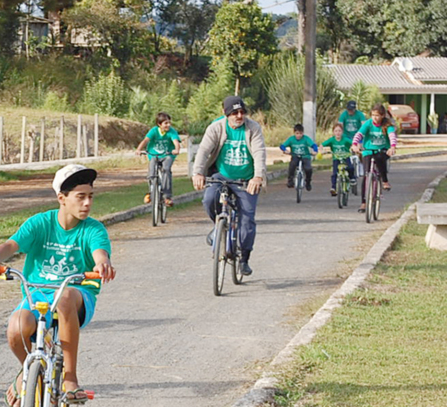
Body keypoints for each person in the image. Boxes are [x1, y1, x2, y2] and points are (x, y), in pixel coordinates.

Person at [0, 164, 116, 407]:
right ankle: (27, 371)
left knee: (65, 297)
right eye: (80, 197)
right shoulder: (40, 223)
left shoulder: (93, 229)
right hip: (39, 293)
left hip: (77, 293)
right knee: (16, 327)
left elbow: (100, 253)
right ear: (62, 198)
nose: (87, 203)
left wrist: (102, 264)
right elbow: (11, 245)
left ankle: (70, 378)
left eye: (90, 196)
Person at [191, 95, 266, 276]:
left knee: (247, 221)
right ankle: (218, 226)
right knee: (209, 199)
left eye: (242, 112)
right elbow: (203, 150)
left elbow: (259, 153)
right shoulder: (216, 127)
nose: (239, 116)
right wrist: (197, 173)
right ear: (225, 113)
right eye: (234, 113)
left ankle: (244, 259)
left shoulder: (253, 128)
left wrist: (257, 177)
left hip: (245, 180)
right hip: (221, 175)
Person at [352, 103, 397, 212]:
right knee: (366, 175)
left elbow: (392, 136)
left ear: (382, 115)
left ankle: (384, 181)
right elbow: (359, 134)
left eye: (377, 115)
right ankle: (363, 203)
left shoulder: (387, 125)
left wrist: (392, 147)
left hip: (382, 150)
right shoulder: (368, 124)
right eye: (373, 115)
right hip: (368, 150)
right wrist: (354, 144)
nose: (375, 118)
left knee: (380, 158)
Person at [136, 112, 182, 207]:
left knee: (166, 170)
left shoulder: (171, 131)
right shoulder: (154, 131)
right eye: (165, 123)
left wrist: (176, 149)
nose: (168, 125)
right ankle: (151, 192)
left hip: (167, 155)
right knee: (151, 173)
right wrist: (139, 149)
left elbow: (176, 142)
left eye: (169, 122)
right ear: (159, 124)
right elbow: (146, 140)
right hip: (154, 154)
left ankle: (167, 196)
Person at [280, 124, 319, 191]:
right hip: (295, 156)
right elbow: (282, 146)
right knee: (292, 166)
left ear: (303, 133)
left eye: (300, 133)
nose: (299, 135)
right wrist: (285, 150)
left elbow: (313, 145)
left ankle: (308, 182)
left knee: (308, 169)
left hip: (305, 156)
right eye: (297, 133)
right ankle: (290, 181)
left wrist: (315, 151)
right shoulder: (291, 139)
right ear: (294, 133)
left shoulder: (306, 139)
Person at [321, 123, 355, 196]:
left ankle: (352, 178)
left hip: (345, 157)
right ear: (333, 132)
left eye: (339, 131)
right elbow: (322, 145)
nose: (338, 133)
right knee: (334, 173)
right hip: (336, 158)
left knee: (350, 167)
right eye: (336, 131)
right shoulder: (332, 140)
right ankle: (333, 187)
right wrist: (321, 150)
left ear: (342, 132)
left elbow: (353, 143)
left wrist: (355, 147)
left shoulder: (345, 140)